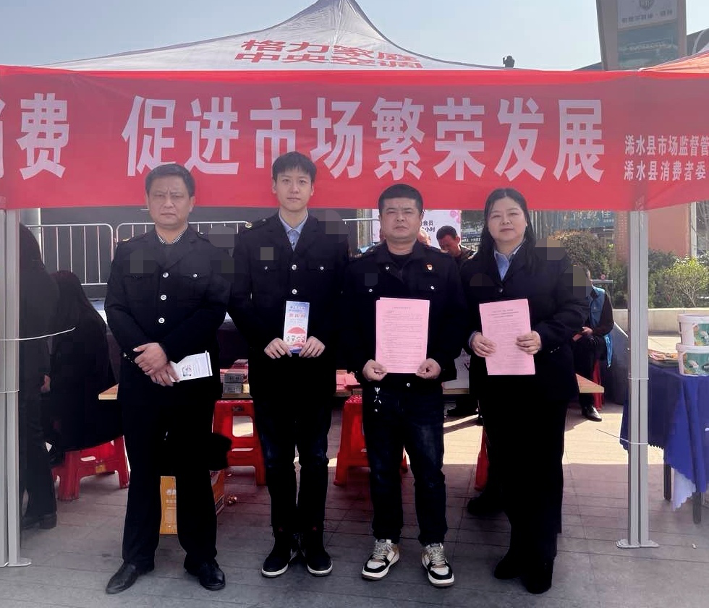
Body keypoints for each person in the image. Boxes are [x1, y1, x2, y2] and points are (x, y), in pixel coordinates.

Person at [104, 163, 230, 594]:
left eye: (177, 195)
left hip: (190, 380)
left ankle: (202, 557)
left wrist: (167, 350)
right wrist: (148, 356)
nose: (168, 203)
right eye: (159, 195)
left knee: (192, 467)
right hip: (141, 379)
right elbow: (116, 307)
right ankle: (136, 557)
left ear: (192, 201)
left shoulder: (210, 253)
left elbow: (213, 309)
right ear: (147, 201)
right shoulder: (129, 251)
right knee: (144, 469)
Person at [228, 151, 349, 578]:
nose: (294, 188)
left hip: (315, 366)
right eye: (286, 180)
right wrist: (265, 339)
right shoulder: (250, 238)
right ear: (273, 186)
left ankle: (313, 538)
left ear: (312, 188)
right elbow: (237, 296)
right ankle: (282, 538)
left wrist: (324, 335)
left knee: (315, 458)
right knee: (277, 459)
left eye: (301, 181)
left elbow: (344, 296)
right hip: (271, 367)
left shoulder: (333, 237)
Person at [460, 188, 587, 595]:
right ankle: (518, 545)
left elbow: (578, 308)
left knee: (543, 469)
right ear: (487, 223)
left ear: (526, 218)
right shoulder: (472, 267)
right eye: (496, 215)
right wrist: (471, 337)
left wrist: (544, 334)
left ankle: (542, 554)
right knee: (508, 469)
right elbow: (459, 315)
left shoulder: (557, 257)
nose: (505, 221)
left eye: (513, 213)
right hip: (497, 385)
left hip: (544, 382)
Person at [341, 183, 467, 588]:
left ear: (420, 217)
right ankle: (386, 540)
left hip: (424, 389)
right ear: (380, 218)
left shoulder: (442, 266)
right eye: (391, 211)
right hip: (379, 388)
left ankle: (433, 544)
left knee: (430, 471)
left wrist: (440, 359)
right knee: (382, 471)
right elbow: (347, 325)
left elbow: (457, 319)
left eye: (408, 211)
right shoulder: (360, 268)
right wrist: (361, 362)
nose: (399, 218)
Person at [41, 270, 120, 466]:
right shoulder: (70, 320)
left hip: (89, 401)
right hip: (75, 392)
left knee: (31, 409)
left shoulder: (86, 324)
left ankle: (56, 448)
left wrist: (51, 383)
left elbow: (80, 371)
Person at [18, 224, 59, 530]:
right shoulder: (38, 277)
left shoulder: (29, 278)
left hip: (22, 365)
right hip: (26, 363)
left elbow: (31, 326)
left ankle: (40, 506)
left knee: (26, 438)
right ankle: (41, 507)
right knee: (27, 436)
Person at [436, 226, 477, 419]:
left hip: (472, 319)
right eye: (442, 246)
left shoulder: (473, 260)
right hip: (452, 317)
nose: (445, 249)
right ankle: (464, 404)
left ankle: (478, 406)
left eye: (448, 245)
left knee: (474, 365)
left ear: (457, 239)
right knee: (458, 366)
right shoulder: (442, 262)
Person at [571, 267, 614, 422]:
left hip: (596, 338)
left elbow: (608, 325)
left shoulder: (601, 296)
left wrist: (592, 331)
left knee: (585, 347)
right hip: (572, 337)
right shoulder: (568, 297)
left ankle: (588, 404)